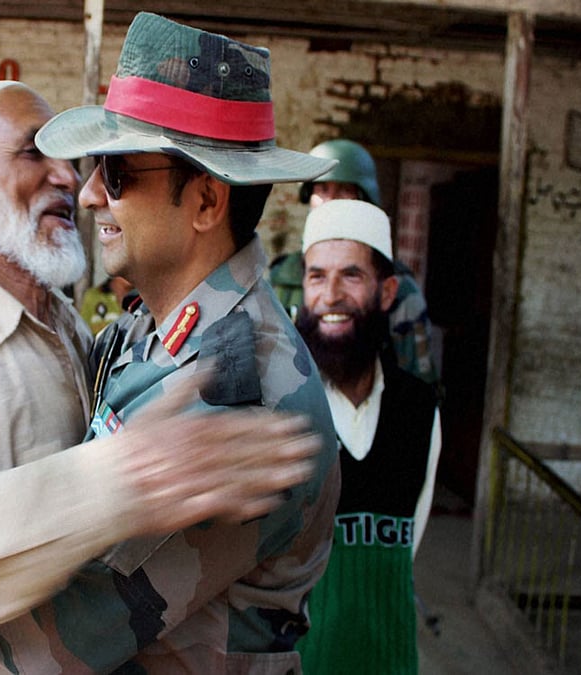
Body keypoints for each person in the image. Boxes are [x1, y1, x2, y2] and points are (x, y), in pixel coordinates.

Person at [0, 78, 324, 672]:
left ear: (206, 203)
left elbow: (78, 625)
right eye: (33, 153)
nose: (77, 183)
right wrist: (112, 483)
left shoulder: (88, 335)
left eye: (112, 171)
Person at [31, 11, 341, 672]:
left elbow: (56, 638)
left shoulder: (239, 395)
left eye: (116, 172)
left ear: (205, 202)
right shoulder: (153, 329)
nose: (88, 196)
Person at [292, 199, 442, 674]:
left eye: (351, 275)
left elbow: (405, 545)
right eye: (317, 276)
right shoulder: (279, 406)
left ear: (387, 291)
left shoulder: (418, 408)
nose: (331, 295)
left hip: (390, 661)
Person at [269, 138, 439, 384]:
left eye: (344, 190)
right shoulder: (283, 277)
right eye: (322, 190)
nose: (331, 201)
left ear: (364, 197)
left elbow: (418, 382)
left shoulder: (397, 288)